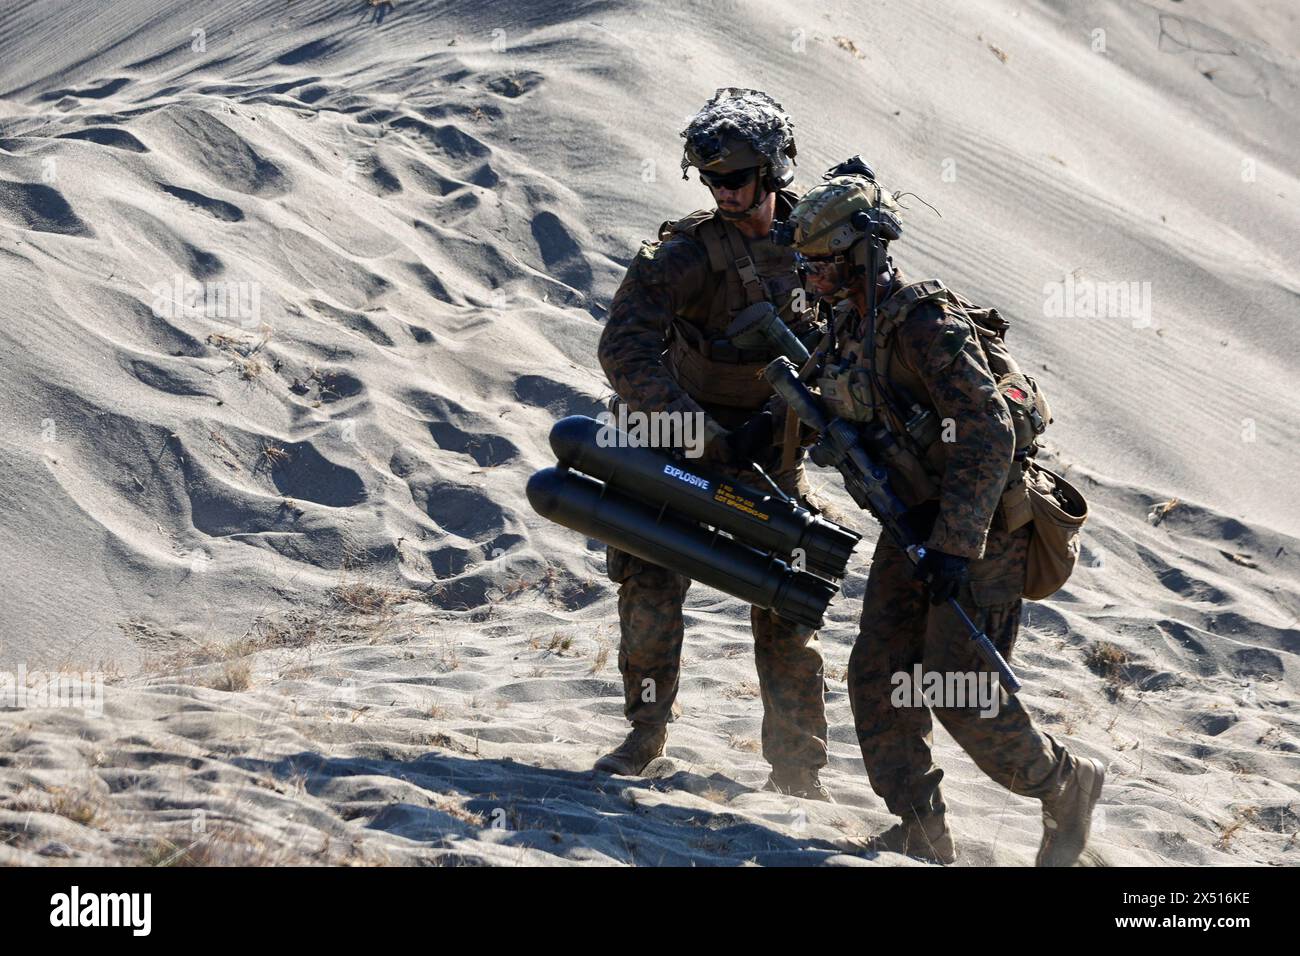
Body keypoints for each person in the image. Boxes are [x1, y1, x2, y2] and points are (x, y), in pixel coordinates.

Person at [780, 169, 1105, 862]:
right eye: (806, 265)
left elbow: (987, 431)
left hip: (981, 525)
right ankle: (921, 828)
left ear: (862, 255)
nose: (812, 278)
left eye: (825, 265)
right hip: (913, 524)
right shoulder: (843, 326)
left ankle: (1064, 785)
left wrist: (956, 546)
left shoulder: (922, 321)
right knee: (879, 671)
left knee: (955, 686)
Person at [593, 89, 830, 799]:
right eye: (711, 178)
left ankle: (797, 769)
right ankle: (644, 734)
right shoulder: (682, 255)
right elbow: (625, 350)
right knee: (648, 582)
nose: (722, 192)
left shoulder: (826, 247)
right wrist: (695, 429)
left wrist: (797, 423)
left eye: (735, 177)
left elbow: (860, 358)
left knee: (790, 602)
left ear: (774, 170)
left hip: (775, 456)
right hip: (679, 446)